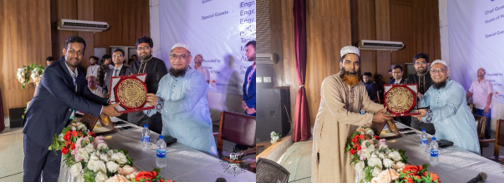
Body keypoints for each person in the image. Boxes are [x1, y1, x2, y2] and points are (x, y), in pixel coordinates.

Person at [22, 36, 121, 182]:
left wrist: (108, 102)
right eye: (72, 51)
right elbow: (71, 99)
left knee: (52, 174)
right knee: (32, 175)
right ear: (64, 51)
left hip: (58, 131)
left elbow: (86, 94)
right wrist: (102, 110)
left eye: (79, 52)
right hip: (39, 129)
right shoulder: (52, 72)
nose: (76, 55)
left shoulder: (79, 73)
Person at [311, 46, 394, 183]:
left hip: (350, 130)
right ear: (341, 64)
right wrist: (372, 117)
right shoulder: (330, 82)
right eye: (348, 62)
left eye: (356, 63)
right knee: (331, 169)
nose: (352, 67)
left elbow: (367, 104)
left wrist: (388, 109)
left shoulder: (359, 84)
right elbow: (339, 113)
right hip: (330, 133)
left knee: (348, 167)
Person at [144, 43, 217, 156]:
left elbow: (186, 104)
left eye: (182, 56)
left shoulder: (196, 78)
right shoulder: (164, 80)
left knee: (199, 173)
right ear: (170, 58)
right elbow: (154, 107)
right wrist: (141, 103)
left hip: (195, 141)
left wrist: (157, 103)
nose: (177, 60)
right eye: (174, 56)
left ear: (189, 59)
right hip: (170, 138)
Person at [414, 60, 480, 154]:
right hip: (442, 134)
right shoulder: (432, 89)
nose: (437, 73)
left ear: (447, 72)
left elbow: (449, 109)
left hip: (460, 133)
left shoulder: (456, 88)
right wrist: (417, 97)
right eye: (433, 71)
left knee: (466, 164)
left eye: (440, 70)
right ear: (430, 73)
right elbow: (424, 102)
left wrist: (426, 114)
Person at [128, 36, 168, 134]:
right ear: (137, 50)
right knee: (133, 138)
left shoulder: (158, 63)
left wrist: (139, 85)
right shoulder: (133, 65)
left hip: (151, 110)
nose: (143, 50)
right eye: (140, 48)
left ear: (151, 49)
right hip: (134, 111)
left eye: (146, 47)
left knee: (151, 141)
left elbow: (163, 87)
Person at [406, 53, 435, 134]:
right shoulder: (410, 78)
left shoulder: (434, 77)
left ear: (427, 64)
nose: (420, 65)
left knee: (431, 138)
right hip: (415, 115)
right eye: (418, 63)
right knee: (416, 138)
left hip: (431, 114)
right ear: (414, 65)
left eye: (423, 62)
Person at [467, 68, 493, 146]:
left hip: (484, 107)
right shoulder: (474, 83)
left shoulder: (487, 83)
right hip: (476, 107)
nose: (480, 73)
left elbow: (490, 94)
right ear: (477, 73)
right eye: (478, 71)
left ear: (484, 73)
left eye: (482, 72)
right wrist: (464, 100)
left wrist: (487, 105)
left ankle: (487, 141)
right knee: (477, 124)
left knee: (486, 125)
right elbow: (470, 92)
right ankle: (478, 140)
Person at [242, 41, 256, 117]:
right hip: (248, 109)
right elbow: (245, 87)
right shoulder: (249, 69)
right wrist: (245, 104)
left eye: (248, 51)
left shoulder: (264, 68)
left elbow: (263, 91)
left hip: (257, 109)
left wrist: (247, 104)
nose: (246, 54)